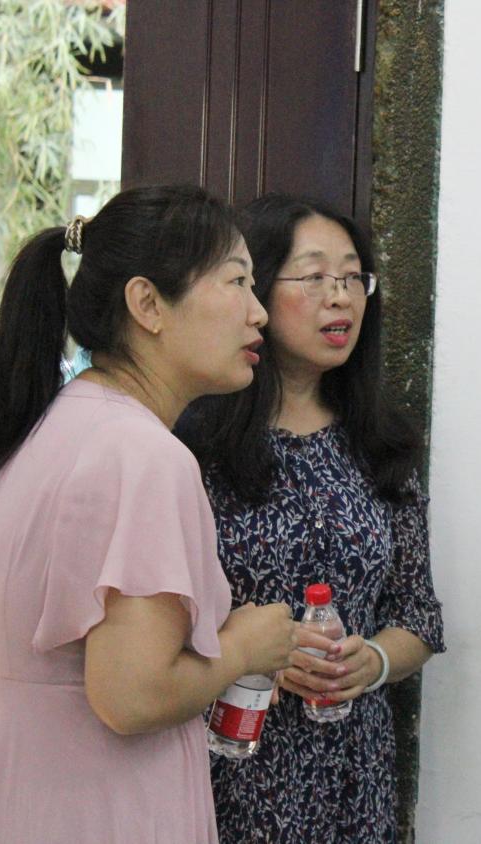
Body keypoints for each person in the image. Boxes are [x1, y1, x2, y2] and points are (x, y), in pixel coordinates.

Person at [0, 185, 299, 843]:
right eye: (236, 282)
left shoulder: (46, 426)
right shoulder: (143, 455)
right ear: (148, 303)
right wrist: (245, 646)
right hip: (97, 807)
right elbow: (133, 696)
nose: (259, 312)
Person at [177, 194, 445, 844]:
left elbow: (419, 615)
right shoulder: (194, 443)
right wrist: (244, 649)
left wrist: (371, 661)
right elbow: (152, 626)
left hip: (353, 770)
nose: (341, 298)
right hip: (226, 756)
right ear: (256, 290)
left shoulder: (382, 445)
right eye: (316, 275)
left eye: (353, 277)